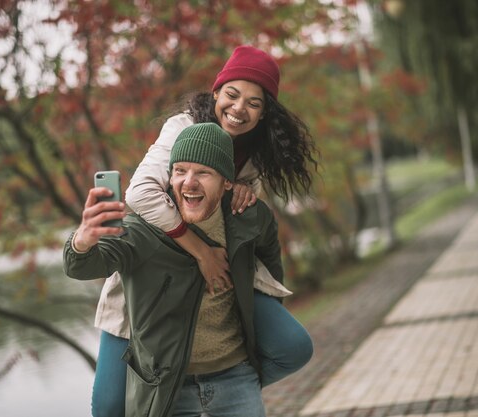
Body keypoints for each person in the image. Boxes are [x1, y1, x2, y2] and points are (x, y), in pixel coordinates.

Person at [91, 45, 318, 416]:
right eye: (232, 94)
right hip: (153, 276)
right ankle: (165, 389)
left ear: (264, 114)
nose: (239, 108)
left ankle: (224, 388)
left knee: (292, 346)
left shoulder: (255, 152)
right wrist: (200, 252)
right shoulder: (183, 127)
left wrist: (244, 191)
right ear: (216, 93)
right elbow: (140, 193)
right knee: (109, 407)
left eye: (253, 103)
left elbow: (248, 225)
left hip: (219, 277)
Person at [65, 123, 283, 417]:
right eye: (180, 170)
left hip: (236, 376)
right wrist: (83, 240)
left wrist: (267, 313)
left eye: (203, 172)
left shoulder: (248, 218)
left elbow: (270, 256)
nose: (189, 182)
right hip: (168, 387)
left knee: (296, 347)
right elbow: (82, 266)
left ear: (227, 182)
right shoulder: (143, 231)